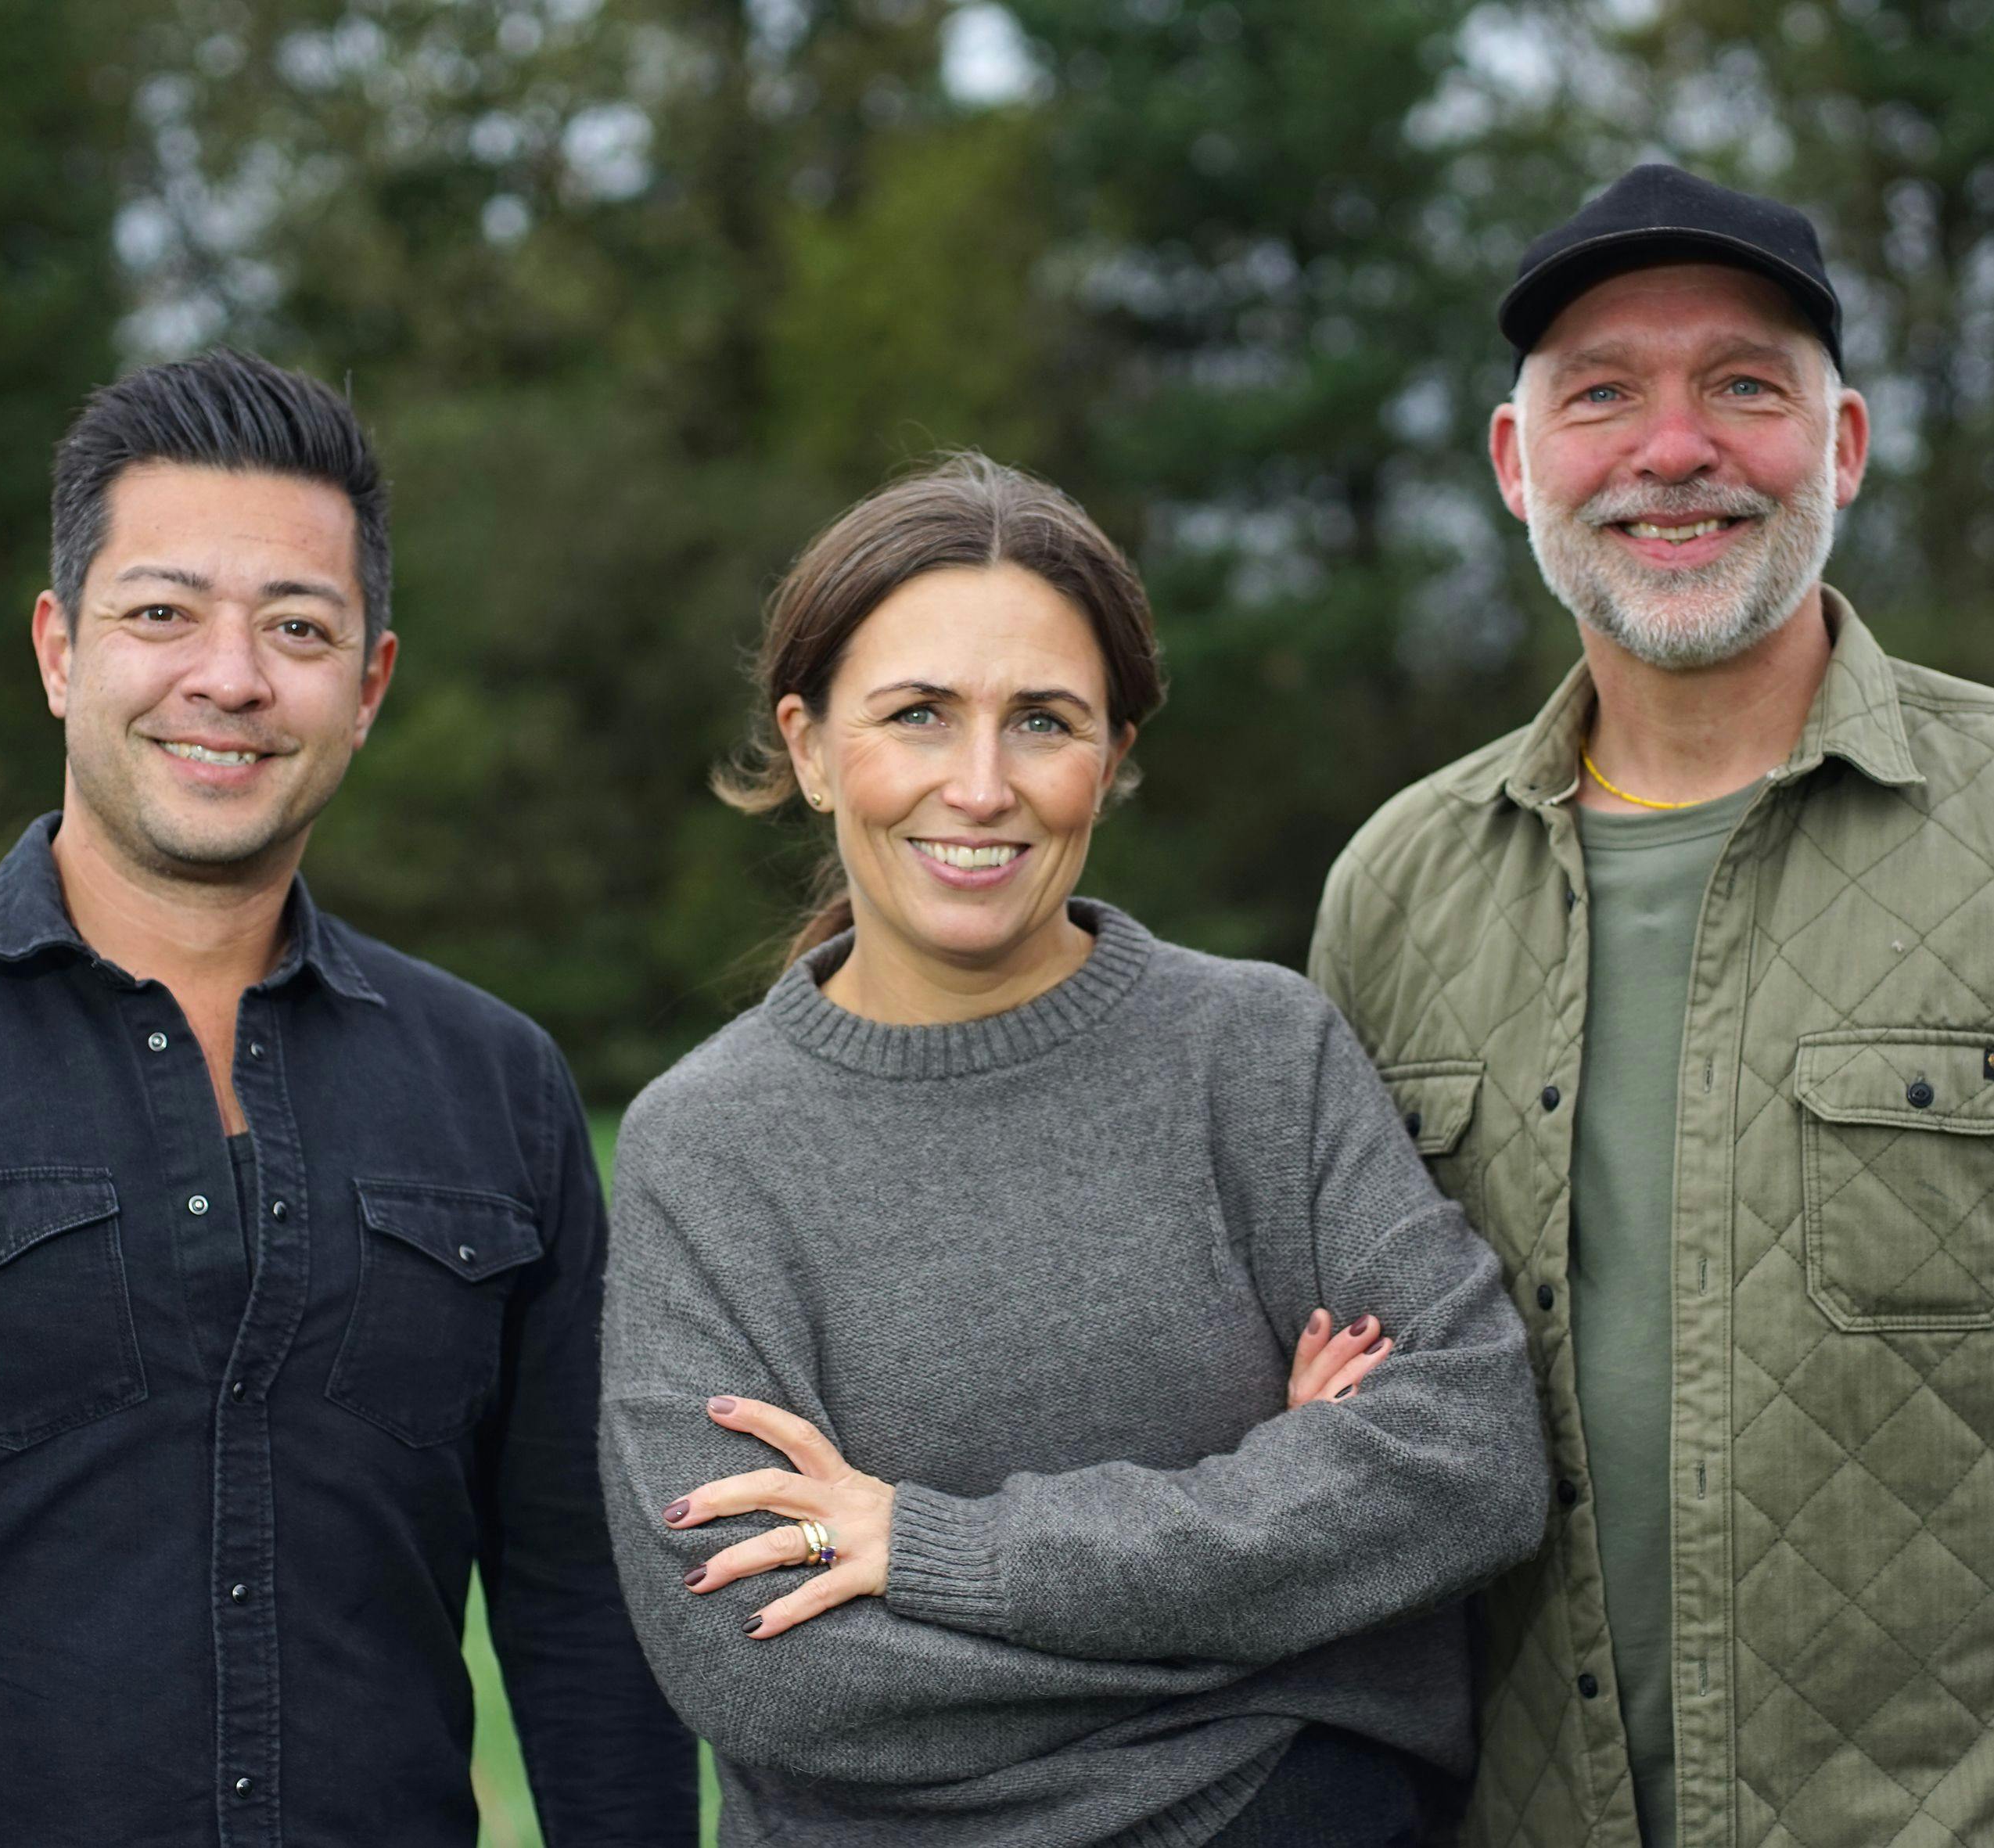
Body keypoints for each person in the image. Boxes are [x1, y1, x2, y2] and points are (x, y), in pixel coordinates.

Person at [1310, 164, 1994, 1848]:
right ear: (1516, 467)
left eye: (1741, 383)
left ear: (1843, 446)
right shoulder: (1393, 889)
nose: (1670, 448)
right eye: (1599, 394)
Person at [0, 349, 693, 1846]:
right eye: (162, 613)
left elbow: (581, 1608)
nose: (228, 677)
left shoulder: (500, 1088)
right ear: (58, 647)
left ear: (367, 685)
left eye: (297, 627)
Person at [596, 452, 1553, 1846]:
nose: (980, 786)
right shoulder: (708, 1142)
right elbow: (766, 1662)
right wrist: (1285, 1576)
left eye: (1042, 720)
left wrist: (933, 1552)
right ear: (808, 747)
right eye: (918, 714)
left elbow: (1468, 1461)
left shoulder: (1258, 1055)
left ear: (1113, 757)